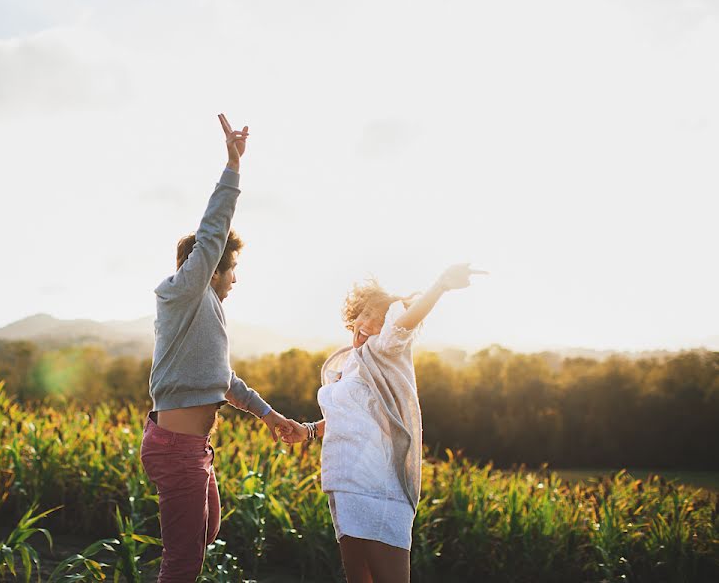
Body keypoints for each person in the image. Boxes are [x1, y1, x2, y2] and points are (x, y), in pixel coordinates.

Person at [140, 114, 294, 583]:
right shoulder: (184, 291)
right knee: (184, 562)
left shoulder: (206, 312)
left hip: (196, 448)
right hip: (177, 449)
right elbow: (212, 233)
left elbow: (224, 382)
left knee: (205, 533)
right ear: (208, 267)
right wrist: (233, 166)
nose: (235, 278)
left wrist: (271, 416)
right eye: (230, 269)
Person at [282, 265, 486, 583]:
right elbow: (348, 418)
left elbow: (404, 323)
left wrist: (440, 286)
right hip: (344, 485)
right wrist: (308, 430)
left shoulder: (385, 351)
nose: (365, 323)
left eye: (378, 317)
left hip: (378, 488)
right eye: (362, 314)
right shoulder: (351, 363)